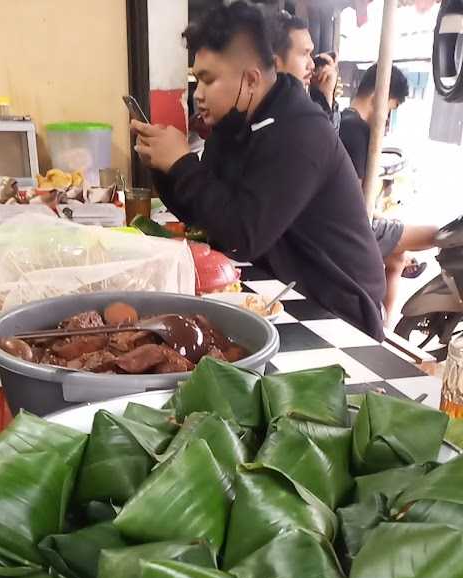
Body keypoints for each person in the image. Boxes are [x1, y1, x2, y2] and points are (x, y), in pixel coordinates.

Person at [132, 1, 386, 340]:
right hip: (277, 290)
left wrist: (181, 163)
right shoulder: (234, 124)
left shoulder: (301, 132)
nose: (199, 95)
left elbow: (242, 234)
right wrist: (164, 167)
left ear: (250, 79)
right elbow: (209, 212)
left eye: (208, 81)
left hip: (336, 309)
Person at [340, 64, 439, 322]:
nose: (387, 118)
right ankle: (384, 326)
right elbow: (358, 198)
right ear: (377, 98)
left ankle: (386, 324)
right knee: (437, 233)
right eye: (391, 109)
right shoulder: (357, 131)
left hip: (351, 220)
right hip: (356, 226)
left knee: (398, 257)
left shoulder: (343, 119)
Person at [270, 11, 340, 127]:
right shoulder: (277, 117)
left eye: (310, 54)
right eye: (304, 54)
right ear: (276, 62)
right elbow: (321, 142)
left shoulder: (298, 107)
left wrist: (324, 95)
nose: (312, 64)